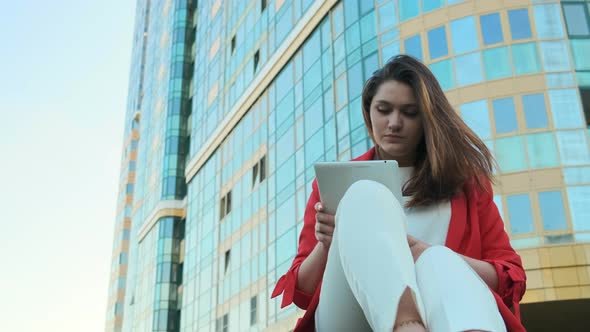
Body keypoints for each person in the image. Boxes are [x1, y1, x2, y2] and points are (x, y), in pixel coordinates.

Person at [271, 55, 526, 332]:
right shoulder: (333, 182)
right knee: (364, 193)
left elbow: (510, 279)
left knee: (439, 260)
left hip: (443, 316)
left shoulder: (467, 184)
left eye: (409, 112)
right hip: (350, 318)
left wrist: (429, 254)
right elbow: (302, 292)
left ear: (428, 118)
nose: (394, 122)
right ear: (368, 111)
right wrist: (328, 246)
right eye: (383, 109)